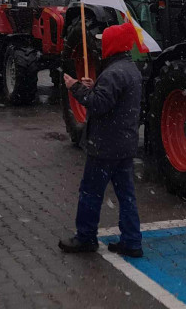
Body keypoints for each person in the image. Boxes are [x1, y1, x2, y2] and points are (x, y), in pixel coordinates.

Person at [59, 21, 144, 258]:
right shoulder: (130, 69)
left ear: (111, 45)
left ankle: (85, 237)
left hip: (105, 146)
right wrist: (93, 87)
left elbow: (98, 104)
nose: (101, 45)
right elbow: (112, 99)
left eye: (104, 41)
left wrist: (75, 87)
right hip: (125, 146)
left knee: (90, 192)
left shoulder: (114, 72)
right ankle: (132, 241)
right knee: (126, 195)